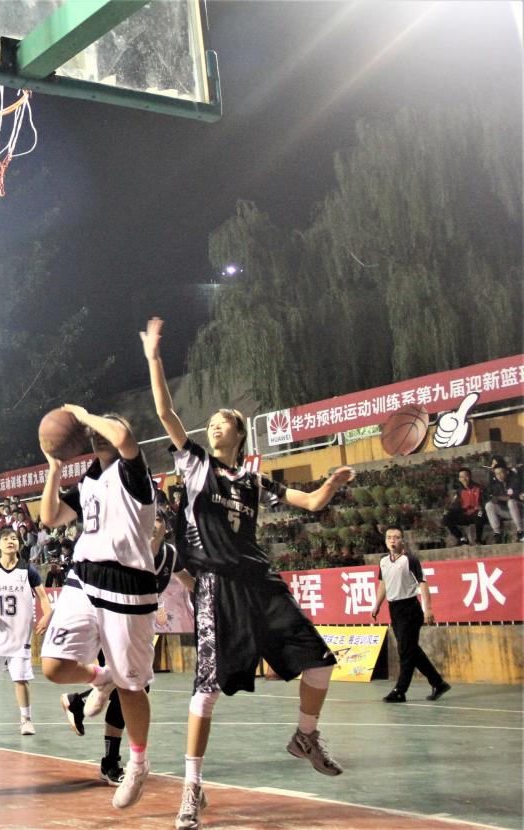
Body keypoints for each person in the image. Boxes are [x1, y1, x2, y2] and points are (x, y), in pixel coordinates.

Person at [143, 317, 354, 830]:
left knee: (321, 664)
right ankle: (192, 787)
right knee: (207, 689)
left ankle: (305, 736)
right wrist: (154, 357)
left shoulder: (255, 480)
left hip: (261, 582)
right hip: (217, 586)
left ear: (238, 431)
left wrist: (332, 483)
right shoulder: (195, 463)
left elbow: (310, 502)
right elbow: (166, 412)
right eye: (211, 422)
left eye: (223, 421)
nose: (214, 425)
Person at [39, 405, 158, 811]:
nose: (97, 433)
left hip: (128, 583)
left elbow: (123, 438)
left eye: (106, 427)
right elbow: (50, 516)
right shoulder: (89, 478)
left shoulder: (133, 470)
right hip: (84, 576)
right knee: (54, 666)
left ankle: (137, 764)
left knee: (132, 686)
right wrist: (55, 468)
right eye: (92, 430)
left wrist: (83, 414)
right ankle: (102, 678)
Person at [60, 509, 192, 786]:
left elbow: (189, 581)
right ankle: (110, 761)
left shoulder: (169, 555)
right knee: (129, 687)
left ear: (165, 527)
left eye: (158, 521)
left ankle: (79, 702)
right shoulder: (122, 550)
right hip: (108, 622)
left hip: (135, 628)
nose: (152, 525)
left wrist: (215, 591)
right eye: (148, 520)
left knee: (133, 686)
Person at [0, 527, 52, 737]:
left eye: (14, 538)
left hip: (19, 637)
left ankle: (26, 720)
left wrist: (47, 615)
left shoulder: (28, 570)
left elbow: (43, 597)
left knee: (21, 679)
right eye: (5, 538)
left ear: (19, 543)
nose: (10, 541)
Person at [370, 526, 450, 703]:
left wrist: (428, 609)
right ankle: (438, 683)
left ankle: (400, 690)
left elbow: (423, 583)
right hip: (394, 608)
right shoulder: (383, 561)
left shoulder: (409, 560)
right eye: (389, 537)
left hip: (410, 608)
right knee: (411, 650)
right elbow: (383, 583)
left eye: (396, 537)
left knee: (406, 651)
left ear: (402, 540)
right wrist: (377, 605)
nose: (392, 540)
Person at [441, 467, 486, 545]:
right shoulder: (459, 491)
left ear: (470, 476)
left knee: (480, 514)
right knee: (446, 518)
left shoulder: (479, 488)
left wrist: (481, 506)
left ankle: (478, 539)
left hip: (477, 513)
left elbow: (486, 500)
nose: (464, 479)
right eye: (461, 477)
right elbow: (455, 505)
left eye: (466, 476)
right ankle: (462, 538)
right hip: (464, 515)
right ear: (459, 479)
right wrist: (448, 511)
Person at [484, 463, 523, 543]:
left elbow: (515, 496)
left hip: (520, 510)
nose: (499, 476)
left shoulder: (515, 481)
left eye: (501, 472)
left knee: (511, 502)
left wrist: (499, 498)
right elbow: (490, 497)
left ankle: (520, 531)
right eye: (497, 474)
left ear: (506, 472)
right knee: (489, 505)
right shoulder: (496, 485)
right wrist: (494, 499)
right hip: (508, 511)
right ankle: (497, 533)